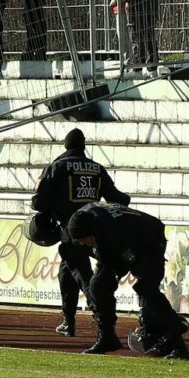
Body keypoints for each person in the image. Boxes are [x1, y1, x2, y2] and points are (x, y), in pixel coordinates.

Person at [31, 128, 131, 338]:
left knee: (82, 274)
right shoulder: (96, 168)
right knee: (66, 274)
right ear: (83, 146)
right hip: (95, 230)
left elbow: (38, 202)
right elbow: (118, 198)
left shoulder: (57, 166)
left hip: (71, 230)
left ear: (66, 145)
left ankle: (103, 321)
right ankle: (68, 321)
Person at [66, 202, 189, 359]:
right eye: (78, 240)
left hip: (148, 241)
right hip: (119, 241)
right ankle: (107, 337)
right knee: (98, 286)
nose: (82, 243)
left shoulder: (115, 233)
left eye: (84, 239)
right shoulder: (82, 223)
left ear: (93, 232)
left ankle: (177, 337)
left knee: (146, 289)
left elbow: (135, 263)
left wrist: (146, 310)